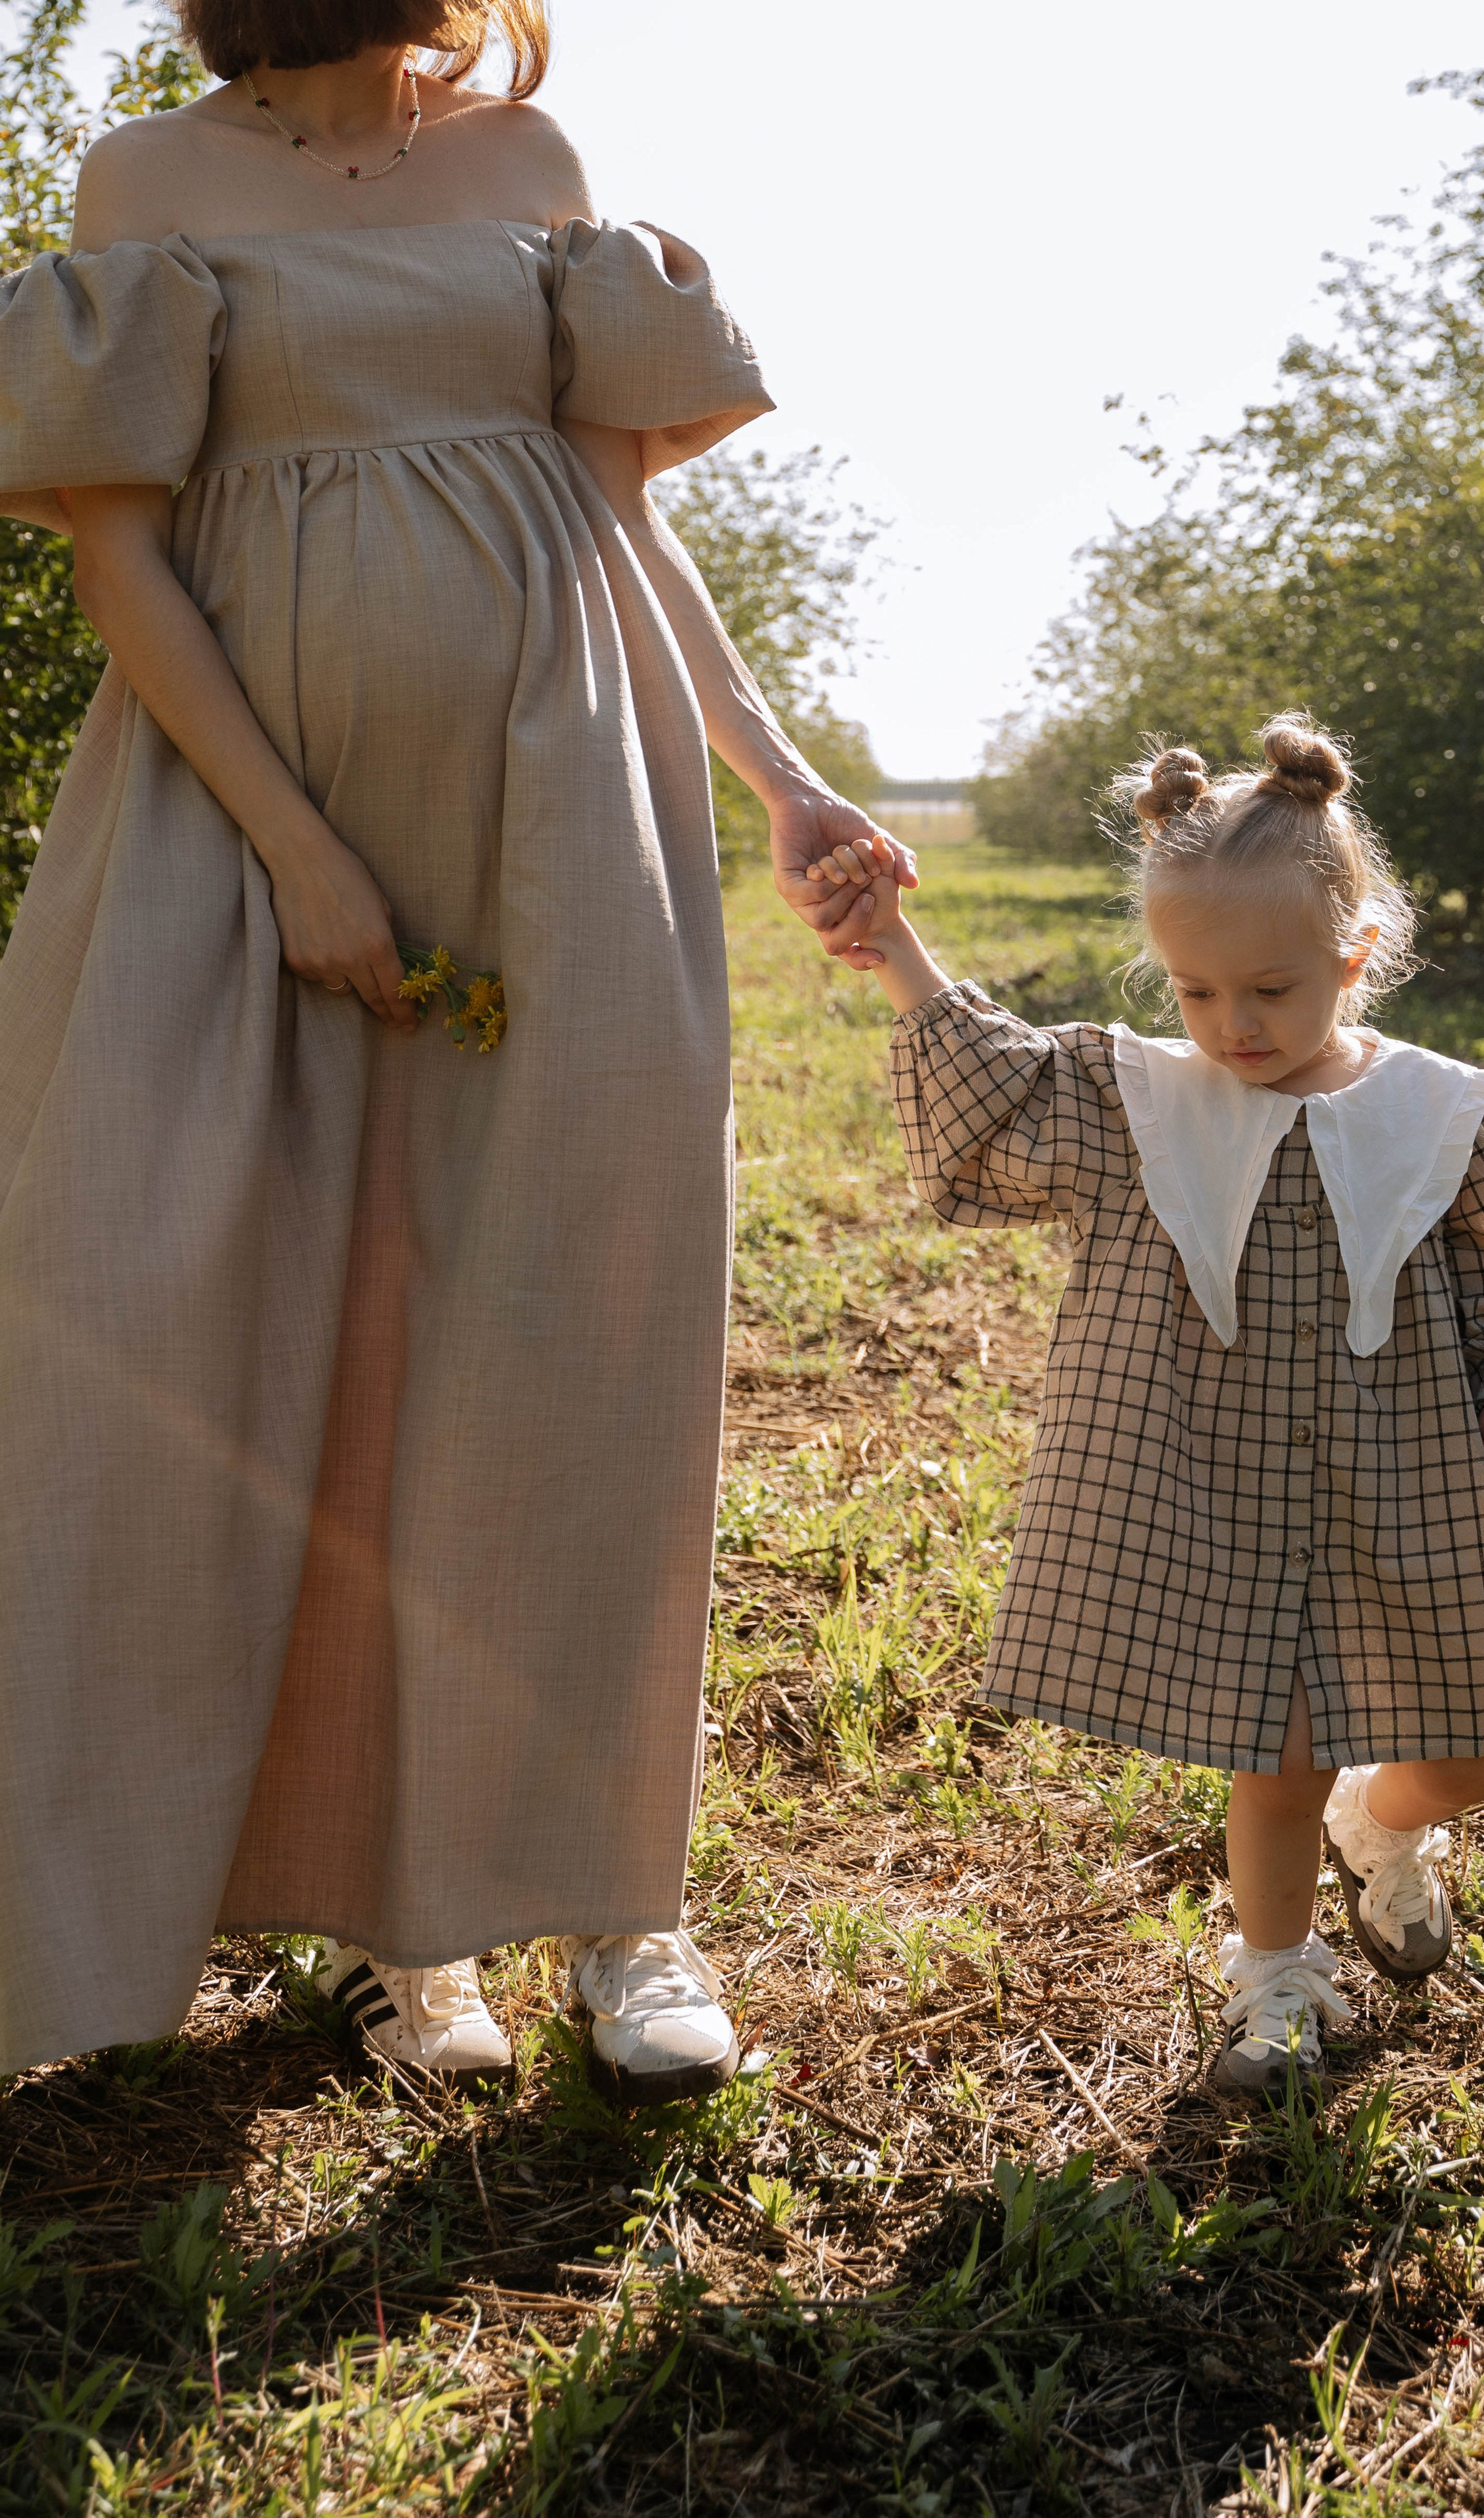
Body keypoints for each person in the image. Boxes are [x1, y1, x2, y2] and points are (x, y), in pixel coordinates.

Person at [0, 0, 908, 2099]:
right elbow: (121, 553)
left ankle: (608, 1911)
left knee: (568, 1336)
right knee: (188, 1320)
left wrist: (781, 785)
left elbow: (622, 530)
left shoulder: (536, 170)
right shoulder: (143, 182)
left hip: (556, 824)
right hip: (224, 840)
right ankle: (395, 1935)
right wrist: (302, 855)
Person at [816, 715, 1484, 2095]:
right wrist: (895, 950)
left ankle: (1388, 1829)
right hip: (1229, 1486)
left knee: (1471, 1752)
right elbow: (993, 1095)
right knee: (1278, 1753)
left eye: (1266, 990)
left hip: (1408, 1479)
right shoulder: (1143, 1103)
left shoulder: (1432, 1111)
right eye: (1194, 994)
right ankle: (1272, 1986)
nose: (1229, 1028)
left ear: (1351, 956)